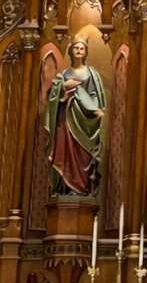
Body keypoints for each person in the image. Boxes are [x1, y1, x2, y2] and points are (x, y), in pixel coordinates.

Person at [45, 36, 106, 197]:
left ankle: (82, 187)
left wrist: (91, 109)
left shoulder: (92, 73)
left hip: (85, 121)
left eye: (81, 48)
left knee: (83, 155)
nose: (78, 51)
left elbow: (95, 96)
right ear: (71, 51)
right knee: (66, 152)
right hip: (66, 120)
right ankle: (66, 188)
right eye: (75, 48)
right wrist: (63, 93)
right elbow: (53, 100)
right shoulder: (64, 74)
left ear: (86, 52)